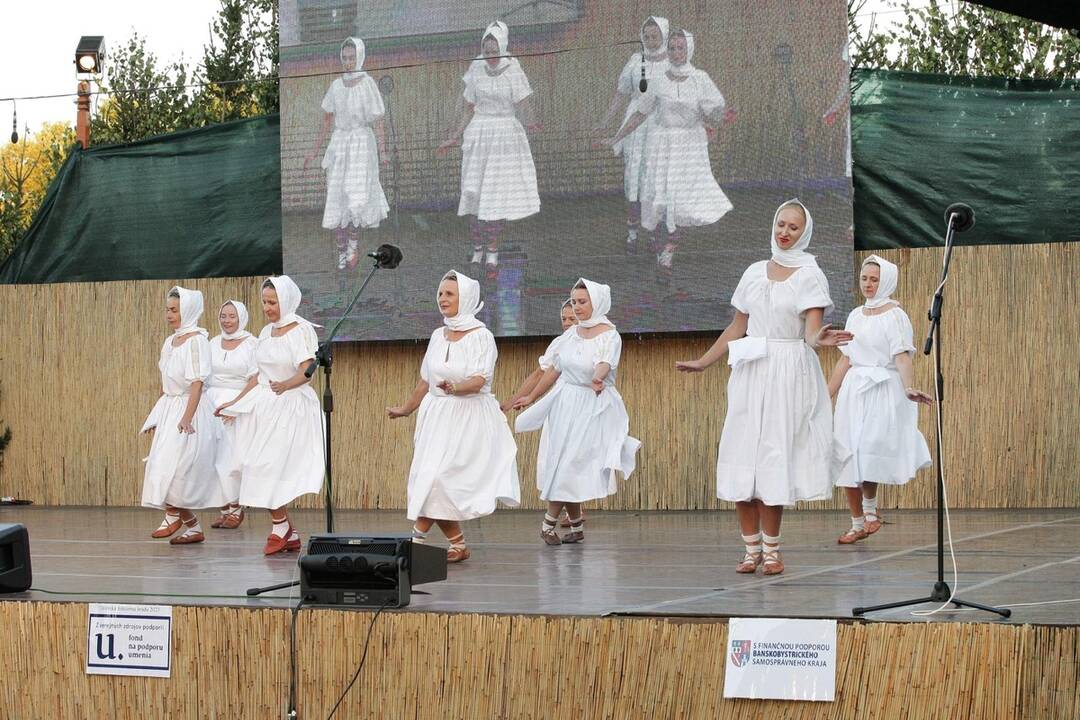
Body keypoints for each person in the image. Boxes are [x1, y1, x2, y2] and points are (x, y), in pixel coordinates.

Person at [676, 200, 852, 575]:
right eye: (781, 225)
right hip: (751, 370)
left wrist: (823, 339)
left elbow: (810, 335)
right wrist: (704, 361)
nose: (784, 232)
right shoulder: (754, 272)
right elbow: (737, 326)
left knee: (773, 457)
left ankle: (772, 551)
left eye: (792, 227)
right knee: (743, 456)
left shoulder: (810, 274)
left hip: (788, 372)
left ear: (803, 232)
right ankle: (750, 550)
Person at [386, 270, 520, 562]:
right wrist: (407, 409)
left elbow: (480, 380)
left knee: (439, 479)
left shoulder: (481, 336)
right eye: (440, 293)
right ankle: (457, 544)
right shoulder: (438, 334)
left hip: (467, 416)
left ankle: (414, 543)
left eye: (449, 294)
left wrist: (456, 387)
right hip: (436, 417)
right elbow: (426, 379)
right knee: (429, 479)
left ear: (466, 298)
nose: (442, 299)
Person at [513, 279, 641, 545]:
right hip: (564, 404)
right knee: (563, 461)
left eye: (582, 302)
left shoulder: (609, 335)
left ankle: (548, 526)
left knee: (572, 462)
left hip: (591, 406)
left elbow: (604, 363)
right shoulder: (571, 335)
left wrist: (597, 378)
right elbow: (554, 369)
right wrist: (532, 396)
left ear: (598, 303)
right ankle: (575, 526)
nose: (577, 307)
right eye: (574, 301)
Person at [603, 29, 734, 284]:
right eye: (672, 48)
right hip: (661, 147)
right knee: (661, 201)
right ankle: (660, 245)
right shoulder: (659, 80)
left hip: (688, 148)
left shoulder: (700, 78)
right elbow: (640, 113)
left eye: (680, 48)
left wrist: (722, 115)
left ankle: (668, 253)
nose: (675, 53)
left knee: (680, 201)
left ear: (689, 50)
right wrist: (616, 137)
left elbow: (714, 112)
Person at [215, 276, 324, 555]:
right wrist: (234, 403)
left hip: (291, 407)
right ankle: (285, 529)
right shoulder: (265, 332)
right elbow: (257, 377)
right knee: (254, 465)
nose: (267, 307)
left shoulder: (301, 329)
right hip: (265, 405)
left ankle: (280, 529)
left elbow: (307, 367)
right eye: (264, 302)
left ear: (286, 300)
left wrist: (286, 384)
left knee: (269, 466)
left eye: (272, 302)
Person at [828, 255, 932, 544]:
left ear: (885, 280)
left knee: (869, 449)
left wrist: (909, 387)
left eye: (874, 279)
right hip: (855, 389)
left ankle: (871, 512)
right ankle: (857, 522)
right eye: (864, 279)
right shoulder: (855, 316)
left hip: (882, 388)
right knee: (847, 451)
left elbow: (901, 355)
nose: (868, 284)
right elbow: (845, 360)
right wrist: (827, 394)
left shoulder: (895, 315)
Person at [436, 21, 541, 274]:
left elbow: (524, 102)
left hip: (504, 137)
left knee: (496, 197)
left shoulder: (514, 68)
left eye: (494, 50)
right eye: (487, 50)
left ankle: (493, 251)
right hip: (479, 135)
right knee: (474, 193)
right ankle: (478, 248)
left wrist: (532, 123)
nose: (490, 55)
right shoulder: (476, 67)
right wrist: (453, 136)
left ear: (502, 47)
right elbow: (467, 108)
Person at [140, 286, 225, 545]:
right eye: (167, 309)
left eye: (174, 310)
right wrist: (157, 417)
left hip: (191, 409)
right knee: (160, 464)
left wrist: (187, 417)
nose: (169, 315)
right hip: (171, 408)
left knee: (179, 468)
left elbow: (197, 383)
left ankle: (173, 515)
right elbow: (166, 384)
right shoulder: (170, 341)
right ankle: (192, 526)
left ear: (187, 310)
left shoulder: (196, 340)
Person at [304, 37, 389, 271]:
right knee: (338, 196)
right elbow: (327, 121)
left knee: (357, 197)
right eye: (345, 58)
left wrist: (382, 152)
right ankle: (341, 252)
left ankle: (353, 244)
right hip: (340, 145)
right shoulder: (335, 86)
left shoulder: (368, 83)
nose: (348, 62)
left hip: (362, 144)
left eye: (352, 57)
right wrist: (314, 151)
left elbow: (378, 120)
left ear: (360, 57)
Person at [592, 16, 669, 255]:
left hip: (661, 128)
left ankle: (656, 234)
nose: (650, 40)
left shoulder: (673, 62)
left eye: (655, 35)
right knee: (633, 179)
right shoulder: (636, 61)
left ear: (663, 36)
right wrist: (605, 122)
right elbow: (621, 94)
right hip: (635, 127)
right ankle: (633, 233)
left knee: (656, 183)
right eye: (646, 36)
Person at [206, 300, 258, 529]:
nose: (227, 321)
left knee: (232, 458)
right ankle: (224, 507)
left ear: (242, 318)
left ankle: (237, 506)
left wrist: (235, 405)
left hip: (238, 406)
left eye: (232, 316)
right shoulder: (212, 343)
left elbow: (256, 378)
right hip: (211, 405)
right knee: (213, 457)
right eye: (223, 316)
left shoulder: (252, 344)